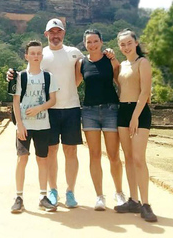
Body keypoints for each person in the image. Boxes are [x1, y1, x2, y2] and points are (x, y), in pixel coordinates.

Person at [8, 18, 83, 208]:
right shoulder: (42, 54)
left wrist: (69, 88)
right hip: (49, 111)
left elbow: (85, 69)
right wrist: (10, 75)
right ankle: (52, 190)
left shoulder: (74, 52)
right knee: (50, 151)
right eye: (52, 32)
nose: (56, 35)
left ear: (64, 33)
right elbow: (26, 76)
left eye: (59, 32)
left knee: (71, 151)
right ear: (46, 34)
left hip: (71, 107)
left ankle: (70, 192)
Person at [75, 29, 127, 211]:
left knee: (114, 155)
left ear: (102, 41)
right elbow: (72, 84)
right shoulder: (81, 63)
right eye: (89, 42)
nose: (92, 45)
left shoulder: (110, 60)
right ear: (85, 44)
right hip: (89, 111)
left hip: (111, 109)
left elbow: (122, 81)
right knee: (94, 155)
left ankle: (119, 193)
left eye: (95, 41)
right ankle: (99, 196)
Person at [113, 29, 157, 222]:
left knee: (139, 158)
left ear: (136, 42)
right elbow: (121, 85)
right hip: (123, 111)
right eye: (122, 44)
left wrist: (135, 117)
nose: (126, 47)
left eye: (129, 43)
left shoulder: (143, 63)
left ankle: (146, 204)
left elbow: (145, 91)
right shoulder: (122, 65)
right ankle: (133, 200)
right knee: (128, 157)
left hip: (139, 112)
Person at [11, 40, 58, 214]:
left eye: (39, 53)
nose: (36, 56)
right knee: (22, 159)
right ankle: (18, 197)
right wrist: (19, 125)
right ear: (26, 56)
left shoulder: (48, 77)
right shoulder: (20, 76)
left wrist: (39, 108)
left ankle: (42, 196)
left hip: (43, 124)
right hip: (25, 125)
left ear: (42, 56)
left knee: (42, 160)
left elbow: (53, 100)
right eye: (32, 53)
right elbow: (16, 101)